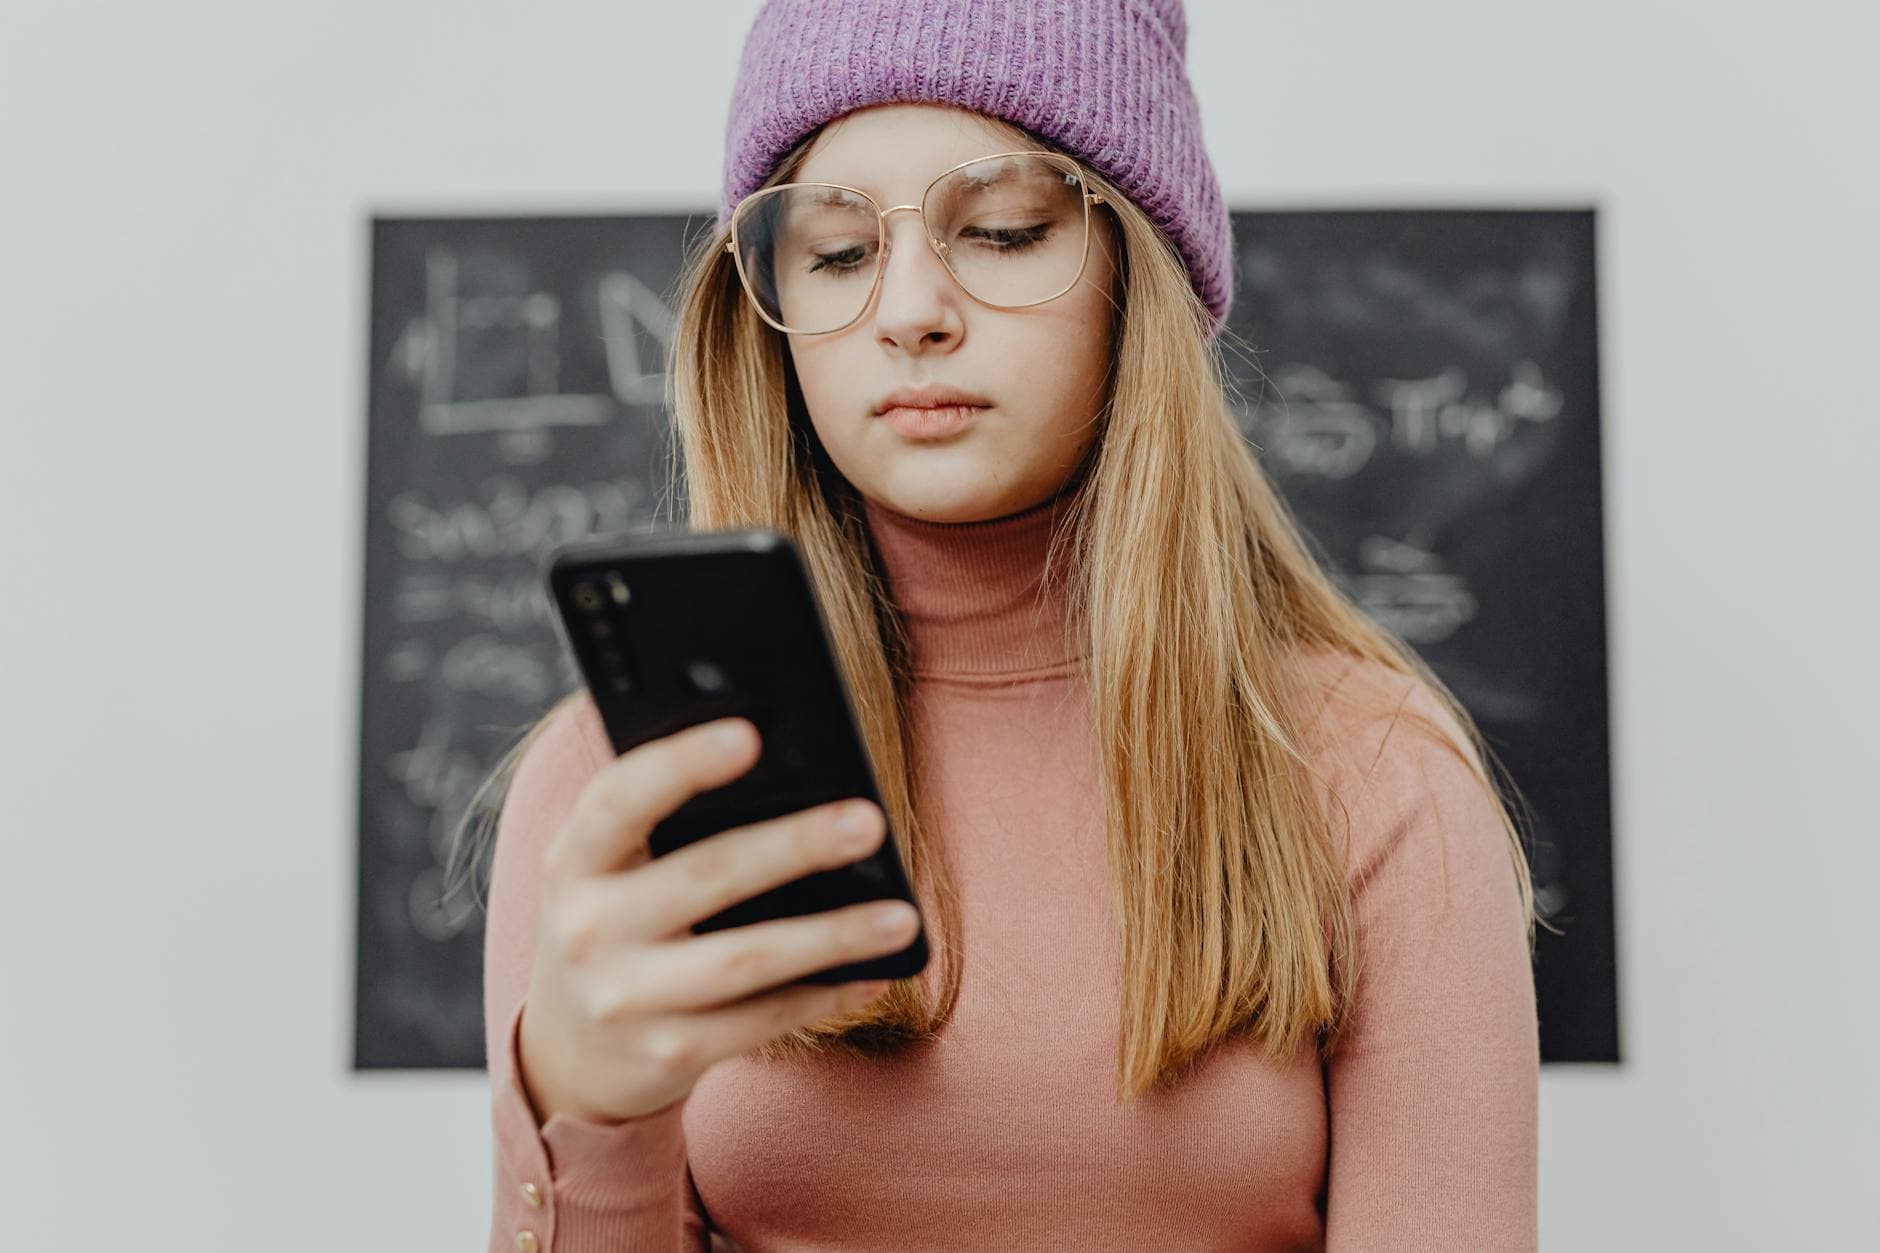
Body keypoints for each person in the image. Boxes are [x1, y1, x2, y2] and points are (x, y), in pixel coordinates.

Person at [449, 2, 1541, 1249]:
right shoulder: (623, 781)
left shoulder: (1374, 772)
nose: (909, 309)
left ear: (1136, 276)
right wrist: (585, 1118)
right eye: (838, 253)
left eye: (1005, 231)